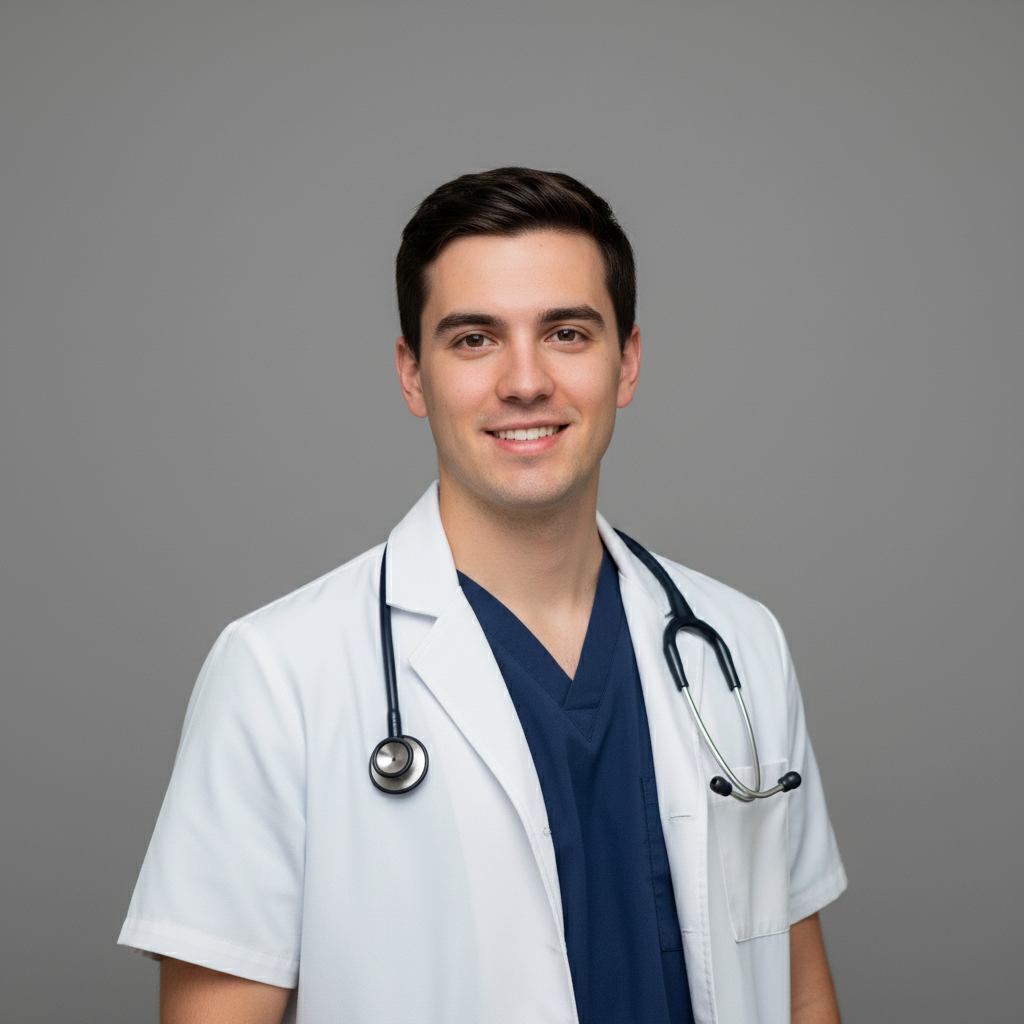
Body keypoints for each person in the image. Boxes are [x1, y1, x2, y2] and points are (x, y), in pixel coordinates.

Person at [120, 167, 847, 1024]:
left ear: (629, 361)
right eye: (474, 339)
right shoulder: (279, 674)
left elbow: (798, 987)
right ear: (412, 375)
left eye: (568, 332)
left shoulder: (739, 644)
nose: (525, 380)